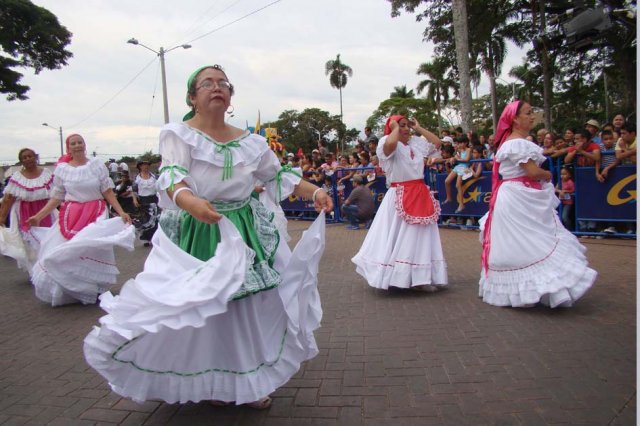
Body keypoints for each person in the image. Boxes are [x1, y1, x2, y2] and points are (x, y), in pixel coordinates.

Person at [83, 64, 333, 408]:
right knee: (210, 309)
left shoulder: (253, 142)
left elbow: (279, 177)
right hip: (200, 228)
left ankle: (248, 381)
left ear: (230, 96)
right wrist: (191, 202)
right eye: (207, 83)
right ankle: (214, 381)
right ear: (193, 96)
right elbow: (173, 175)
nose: (217, 87)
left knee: (249, 307)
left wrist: (315, 192)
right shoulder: (179, 134)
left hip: (245, 229)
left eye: (223, 83)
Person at [478, 100, 596, 308]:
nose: (532, 116)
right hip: (518, 196)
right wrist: (549, 174)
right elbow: (532, 172)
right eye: (528, 113)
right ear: (515, 118)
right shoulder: (516, 144)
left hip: (518, 195)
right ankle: (528, 290)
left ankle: (527, 291)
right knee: (530, 241)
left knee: (524, 241)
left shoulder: (513, 143)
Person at [27, 134, 135, 306]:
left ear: (85, 145)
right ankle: (72, 289)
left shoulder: (96, 165)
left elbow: (107, 191)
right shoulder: (62, 169)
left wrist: (120, 211)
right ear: (68, 147)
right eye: (73, 143)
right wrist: (39, 216)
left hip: (95, 211)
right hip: (71, 213)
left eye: (80, 142)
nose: (77, 145)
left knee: (92, 248)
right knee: (62, 250)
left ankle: (95, 287)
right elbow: (57, 196)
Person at [352, 115, 447, 292]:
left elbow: (436, 143)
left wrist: (418, 127)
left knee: (421, 236)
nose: (406, 128)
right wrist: (394, 127)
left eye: (406, 125)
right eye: (401, 125)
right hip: (400, 195)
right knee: (401, 237)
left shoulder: (415, 143)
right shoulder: (387, 142)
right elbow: (389, 147)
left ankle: (420, 278)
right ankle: (400, 276)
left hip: (419, 193)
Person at [0, 148, 56, 272]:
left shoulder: (46, 173)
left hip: (45, 211)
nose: (28, 159)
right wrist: (2, 217)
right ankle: (36, 270)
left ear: (35, 157)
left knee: (48, 239)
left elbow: (57, 194)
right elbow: (8, 198)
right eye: (24, 158)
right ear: (21, 162)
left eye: (30, 156)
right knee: (29, 244)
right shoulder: (17, 177)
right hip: (25, 212)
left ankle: (48, 267)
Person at [133, 160, 159, 247]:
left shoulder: (154, 177)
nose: (146, 167)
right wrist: (135, 200)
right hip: (143, 200)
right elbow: (133, 190)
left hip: (154, 200)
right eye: (144, 165)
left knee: (155, 220)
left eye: (147, 165)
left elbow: (159, 188)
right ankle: (146, 239)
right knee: (145, 220)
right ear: (140, 167)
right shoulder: (137, 178)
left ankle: (154, 238)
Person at [443, 136, 472, 213]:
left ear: (465, 142)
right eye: (459, 143)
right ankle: (449, 197)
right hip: (458, 166)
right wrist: (454, 158)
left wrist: (457, 159)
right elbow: (455, 157)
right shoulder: (459, 150)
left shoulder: (469, 149)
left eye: (461, 143)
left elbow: (467, 160)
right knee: (447, 181)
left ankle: (461, 204)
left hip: (464, 167)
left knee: (457, 185)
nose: (459, 144)